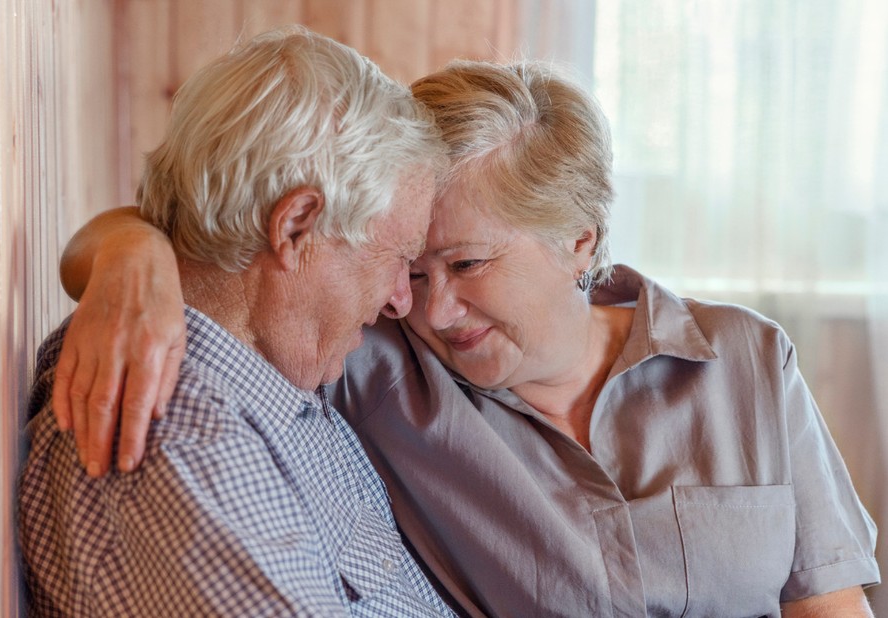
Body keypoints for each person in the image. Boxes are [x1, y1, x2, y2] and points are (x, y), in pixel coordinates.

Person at [54, 59, 880, 616]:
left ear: (580, 239)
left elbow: (829, 601)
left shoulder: (744, 358)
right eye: (412, 266)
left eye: (470, 263)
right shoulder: (380, 362)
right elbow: (221, 253)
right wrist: (130, 258)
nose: (434, 308)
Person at [18, 26, 458, 617]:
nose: (403, 302)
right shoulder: (182, 440)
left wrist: (126, 242)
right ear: (296, 226)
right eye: (399, 259)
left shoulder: (267, 381)